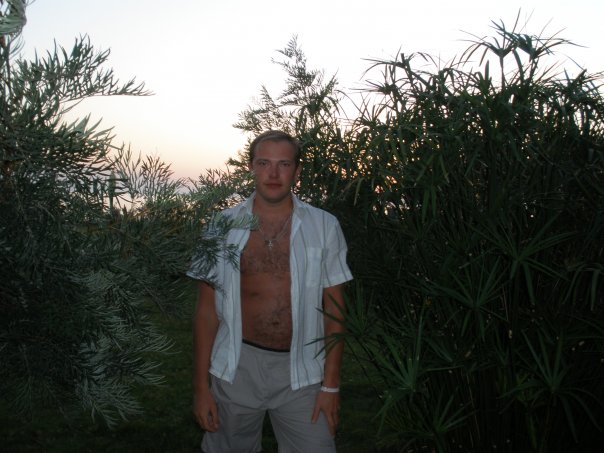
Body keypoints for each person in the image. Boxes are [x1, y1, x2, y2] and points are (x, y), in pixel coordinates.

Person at [187, 130, 353, 452]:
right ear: (251, 166)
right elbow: (205, 313)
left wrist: (331, 387)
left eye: (284, 164)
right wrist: (200, 388)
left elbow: (335, 309)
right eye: (264, 163)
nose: (273, 174)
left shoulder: (324, 226)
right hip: (236, 367)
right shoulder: (221, 226)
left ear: (297, 171)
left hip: (302, 371)